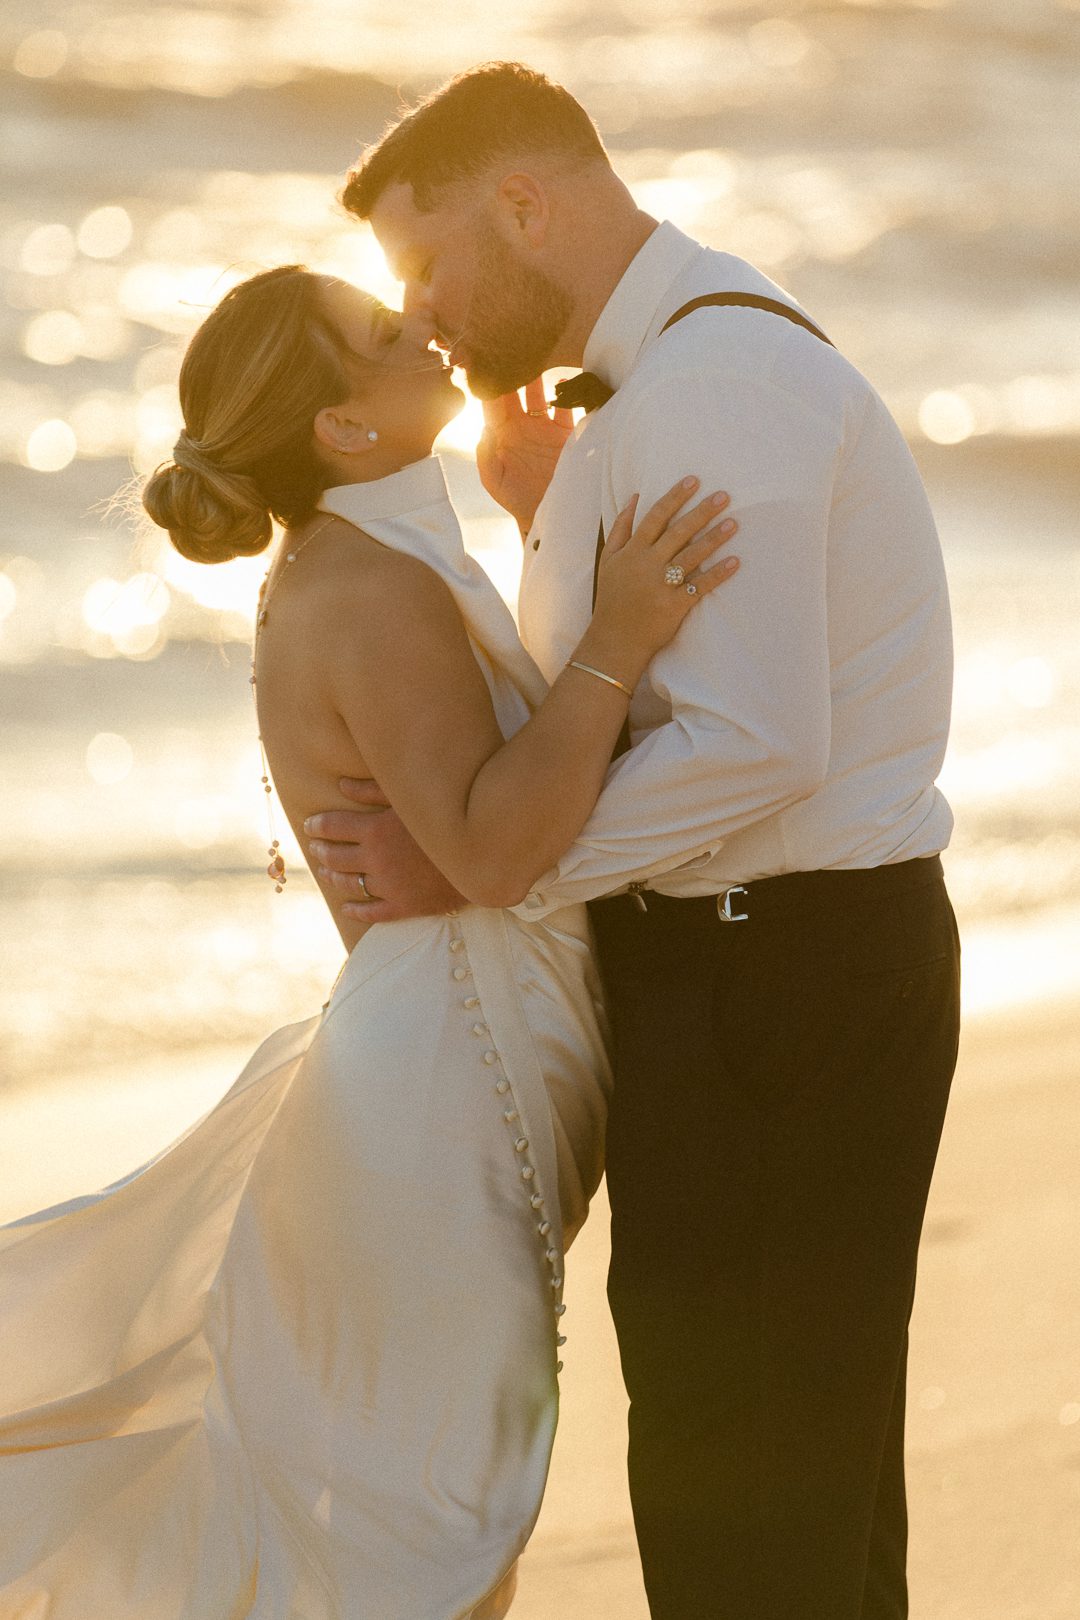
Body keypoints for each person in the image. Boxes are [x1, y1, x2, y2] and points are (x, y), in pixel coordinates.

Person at [308, 62, 963, 1619]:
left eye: (426, 267)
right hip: (759, 974)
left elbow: (755, 744)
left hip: (782, 981)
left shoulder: (709, 387)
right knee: (779, 1472)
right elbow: (650, 686)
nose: (428, 318)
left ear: (524, 205)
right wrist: (543, 511)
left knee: (748, 1492)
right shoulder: (654, 379)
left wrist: (495, 867)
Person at [0, 265, 740, 1618]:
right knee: (441, 1530)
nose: (424, 328)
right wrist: (621, 638)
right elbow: (495, 846)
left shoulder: (373, 559)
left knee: (440, 1517)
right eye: (382, 336)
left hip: (450, 1073)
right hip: (436, 1103)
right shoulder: (367, 588)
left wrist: (538, 520)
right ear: (341, 430)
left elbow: (484, 796)